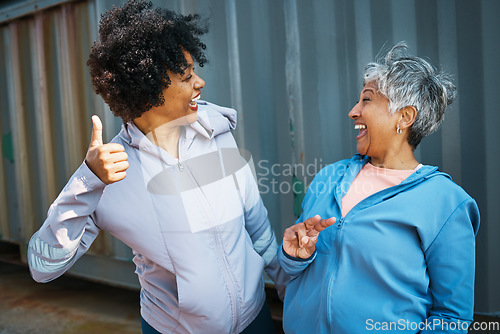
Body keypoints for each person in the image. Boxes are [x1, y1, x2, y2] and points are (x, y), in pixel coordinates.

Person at [27, 1, 287, 333]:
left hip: (255, 319)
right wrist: (86, 182)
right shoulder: (107, 176)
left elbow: (257, 224)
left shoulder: (216, 130)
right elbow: (42, 266)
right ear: (149, 87)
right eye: (186, 75)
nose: (200, 82)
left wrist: (288, 289)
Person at [278, 42, 480, 334]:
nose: (353, 112)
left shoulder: (446, 204)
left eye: (367, 100)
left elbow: (451, 317)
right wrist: (295, 256)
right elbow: (292, 271)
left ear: (405, 117)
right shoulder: (328, 177)